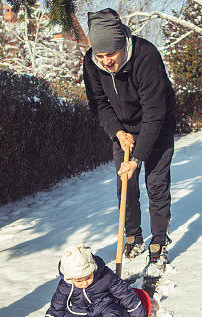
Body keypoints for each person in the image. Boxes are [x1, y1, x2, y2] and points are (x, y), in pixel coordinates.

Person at [83, 8, 176, 266]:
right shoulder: (91, 62)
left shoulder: (146, 56)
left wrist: (136, 159)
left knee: (156, 185)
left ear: (123, 44)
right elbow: (98, 103)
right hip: (123, 128)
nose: (105, 62)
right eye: (100, 56)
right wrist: (117, 131)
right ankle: (133, 237)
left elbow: (155, 113)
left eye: (110, 54)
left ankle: (159, 239)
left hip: (157, 125)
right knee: (126, 184)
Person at [38, 244, 148, 317]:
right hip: (80, 310)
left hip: (105, 306)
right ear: (70, 278)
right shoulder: (66, 285)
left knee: (112, 315)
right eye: (79, 281)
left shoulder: (105, 276)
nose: (84, 283)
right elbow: (58, 301)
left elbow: (123, 291)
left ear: (93, 269)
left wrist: (136, 310)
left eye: (87, 278)